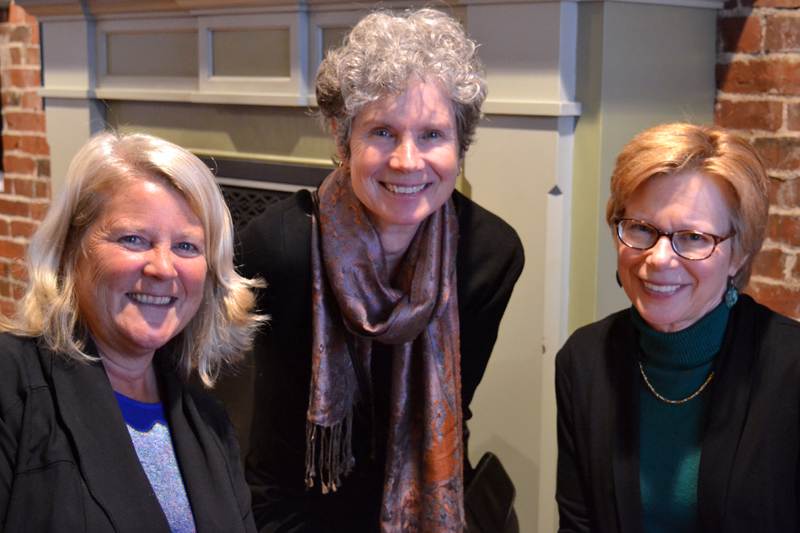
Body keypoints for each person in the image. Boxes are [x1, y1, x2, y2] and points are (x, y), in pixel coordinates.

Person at [237, 8, 524, 532]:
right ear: (343, 138)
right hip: (296, 511)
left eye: (433, 134)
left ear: (461, 144)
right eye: (384, 132)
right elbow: (272, 450)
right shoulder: (279, 249)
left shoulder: (489, 255)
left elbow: (452, 416)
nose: (408, 161)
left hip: (425, 508)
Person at [0, 131, 265, 531]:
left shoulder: (210, 422)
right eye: (134, 239)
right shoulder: (10, 385)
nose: (163, 267)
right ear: (73, 250)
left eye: (187, 247)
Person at [555, 123, 800, 532]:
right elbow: (578, 524)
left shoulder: (790, 369)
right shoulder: (584, 360)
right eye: (641, 229)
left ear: (737, 254)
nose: (659, 259)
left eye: (692, 237)